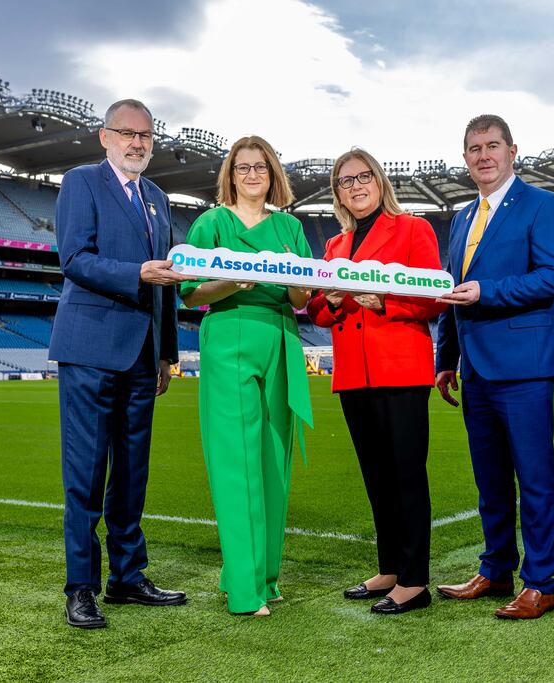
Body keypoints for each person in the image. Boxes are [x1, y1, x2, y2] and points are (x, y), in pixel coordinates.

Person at [48, 98, 193, 629]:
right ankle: (80, 587)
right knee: (85, 473)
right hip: (89, 347)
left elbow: (168, 279)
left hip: (141, 352)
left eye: (146, 136)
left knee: (132, 473)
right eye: (127, 133)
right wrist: (137, 274)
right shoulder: (81, 182)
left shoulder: (156, 197)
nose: (138, 143)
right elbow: (74, 258)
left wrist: (165, 353)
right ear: (104, 136)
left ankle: (127, 577)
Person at [434, 114, 554, 620]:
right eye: (474, 148)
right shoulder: (462, 217)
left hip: (526, 366)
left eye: (493, 146)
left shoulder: (544, 205)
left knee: (534, 479)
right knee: (490, 480)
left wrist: (487, 292)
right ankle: (495, 570)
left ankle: (541, 583)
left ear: (513, 151)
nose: (483, 155)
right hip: (476, 368)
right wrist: (446, 358)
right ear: (465, 157)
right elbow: (454, 291)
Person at [307, 149, 446, 615]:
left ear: (379, 181)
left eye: (363, 176)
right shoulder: (334, 246)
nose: (356, 186)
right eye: (346, 181)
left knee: (407, 474)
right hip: (352, 373)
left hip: (400, 369)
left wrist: (382, 300)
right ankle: (389, 567)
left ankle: (415, 580)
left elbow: (433, 299)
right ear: (338, 193)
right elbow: (319, 313)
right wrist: (329, 299)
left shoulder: (413, 229)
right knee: (377, 478)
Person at [179, 135, 314, 617]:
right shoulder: (211, 222)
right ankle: (243, 589)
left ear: (273, 173)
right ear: (230, 175)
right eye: (243, 168)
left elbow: (302, 301)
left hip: (281, 337)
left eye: (260, 167)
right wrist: (236, 278)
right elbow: (190, 294)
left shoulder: (290, 227)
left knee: (274, 465)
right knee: (237, 463)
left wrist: (297, 280)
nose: (252, 175)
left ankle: (267, 576)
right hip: (230, 336)